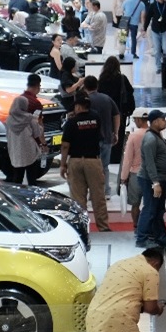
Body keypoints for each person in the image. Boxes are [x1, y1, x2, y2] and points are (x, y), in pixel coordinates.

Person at [59, 95, 111, 232]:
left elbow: (65, 145)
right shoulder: (96, 118)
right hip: (93, 160)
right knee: (98, 195)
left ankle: (81, 228)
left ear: (78, 106)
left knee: (78, 198)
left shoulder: (71, 122)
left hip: (75, 161)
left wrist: (63, 164)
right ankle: (103, 226)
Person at [137, 110, 166, 251]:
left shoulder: (156, 136)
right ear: (154, 122)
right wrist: (155, 183)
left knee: (158, 210)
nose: (165, 121)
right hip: (151, 180)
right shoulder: (150, 139)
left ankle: (160, 237)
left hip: (159, 178)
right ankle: (141, 238)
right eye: (162, 119)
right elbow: (149, 163)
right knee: (150, 209)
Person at [6, 74, 46, 185]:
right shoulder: (35, 105)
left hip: (15, 150)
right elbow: (38, 129)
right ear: (38, 86)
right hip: (29, 150)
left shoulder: (9, 119)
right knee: (31, 177)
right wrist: (43, 144)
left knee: (17, 177)